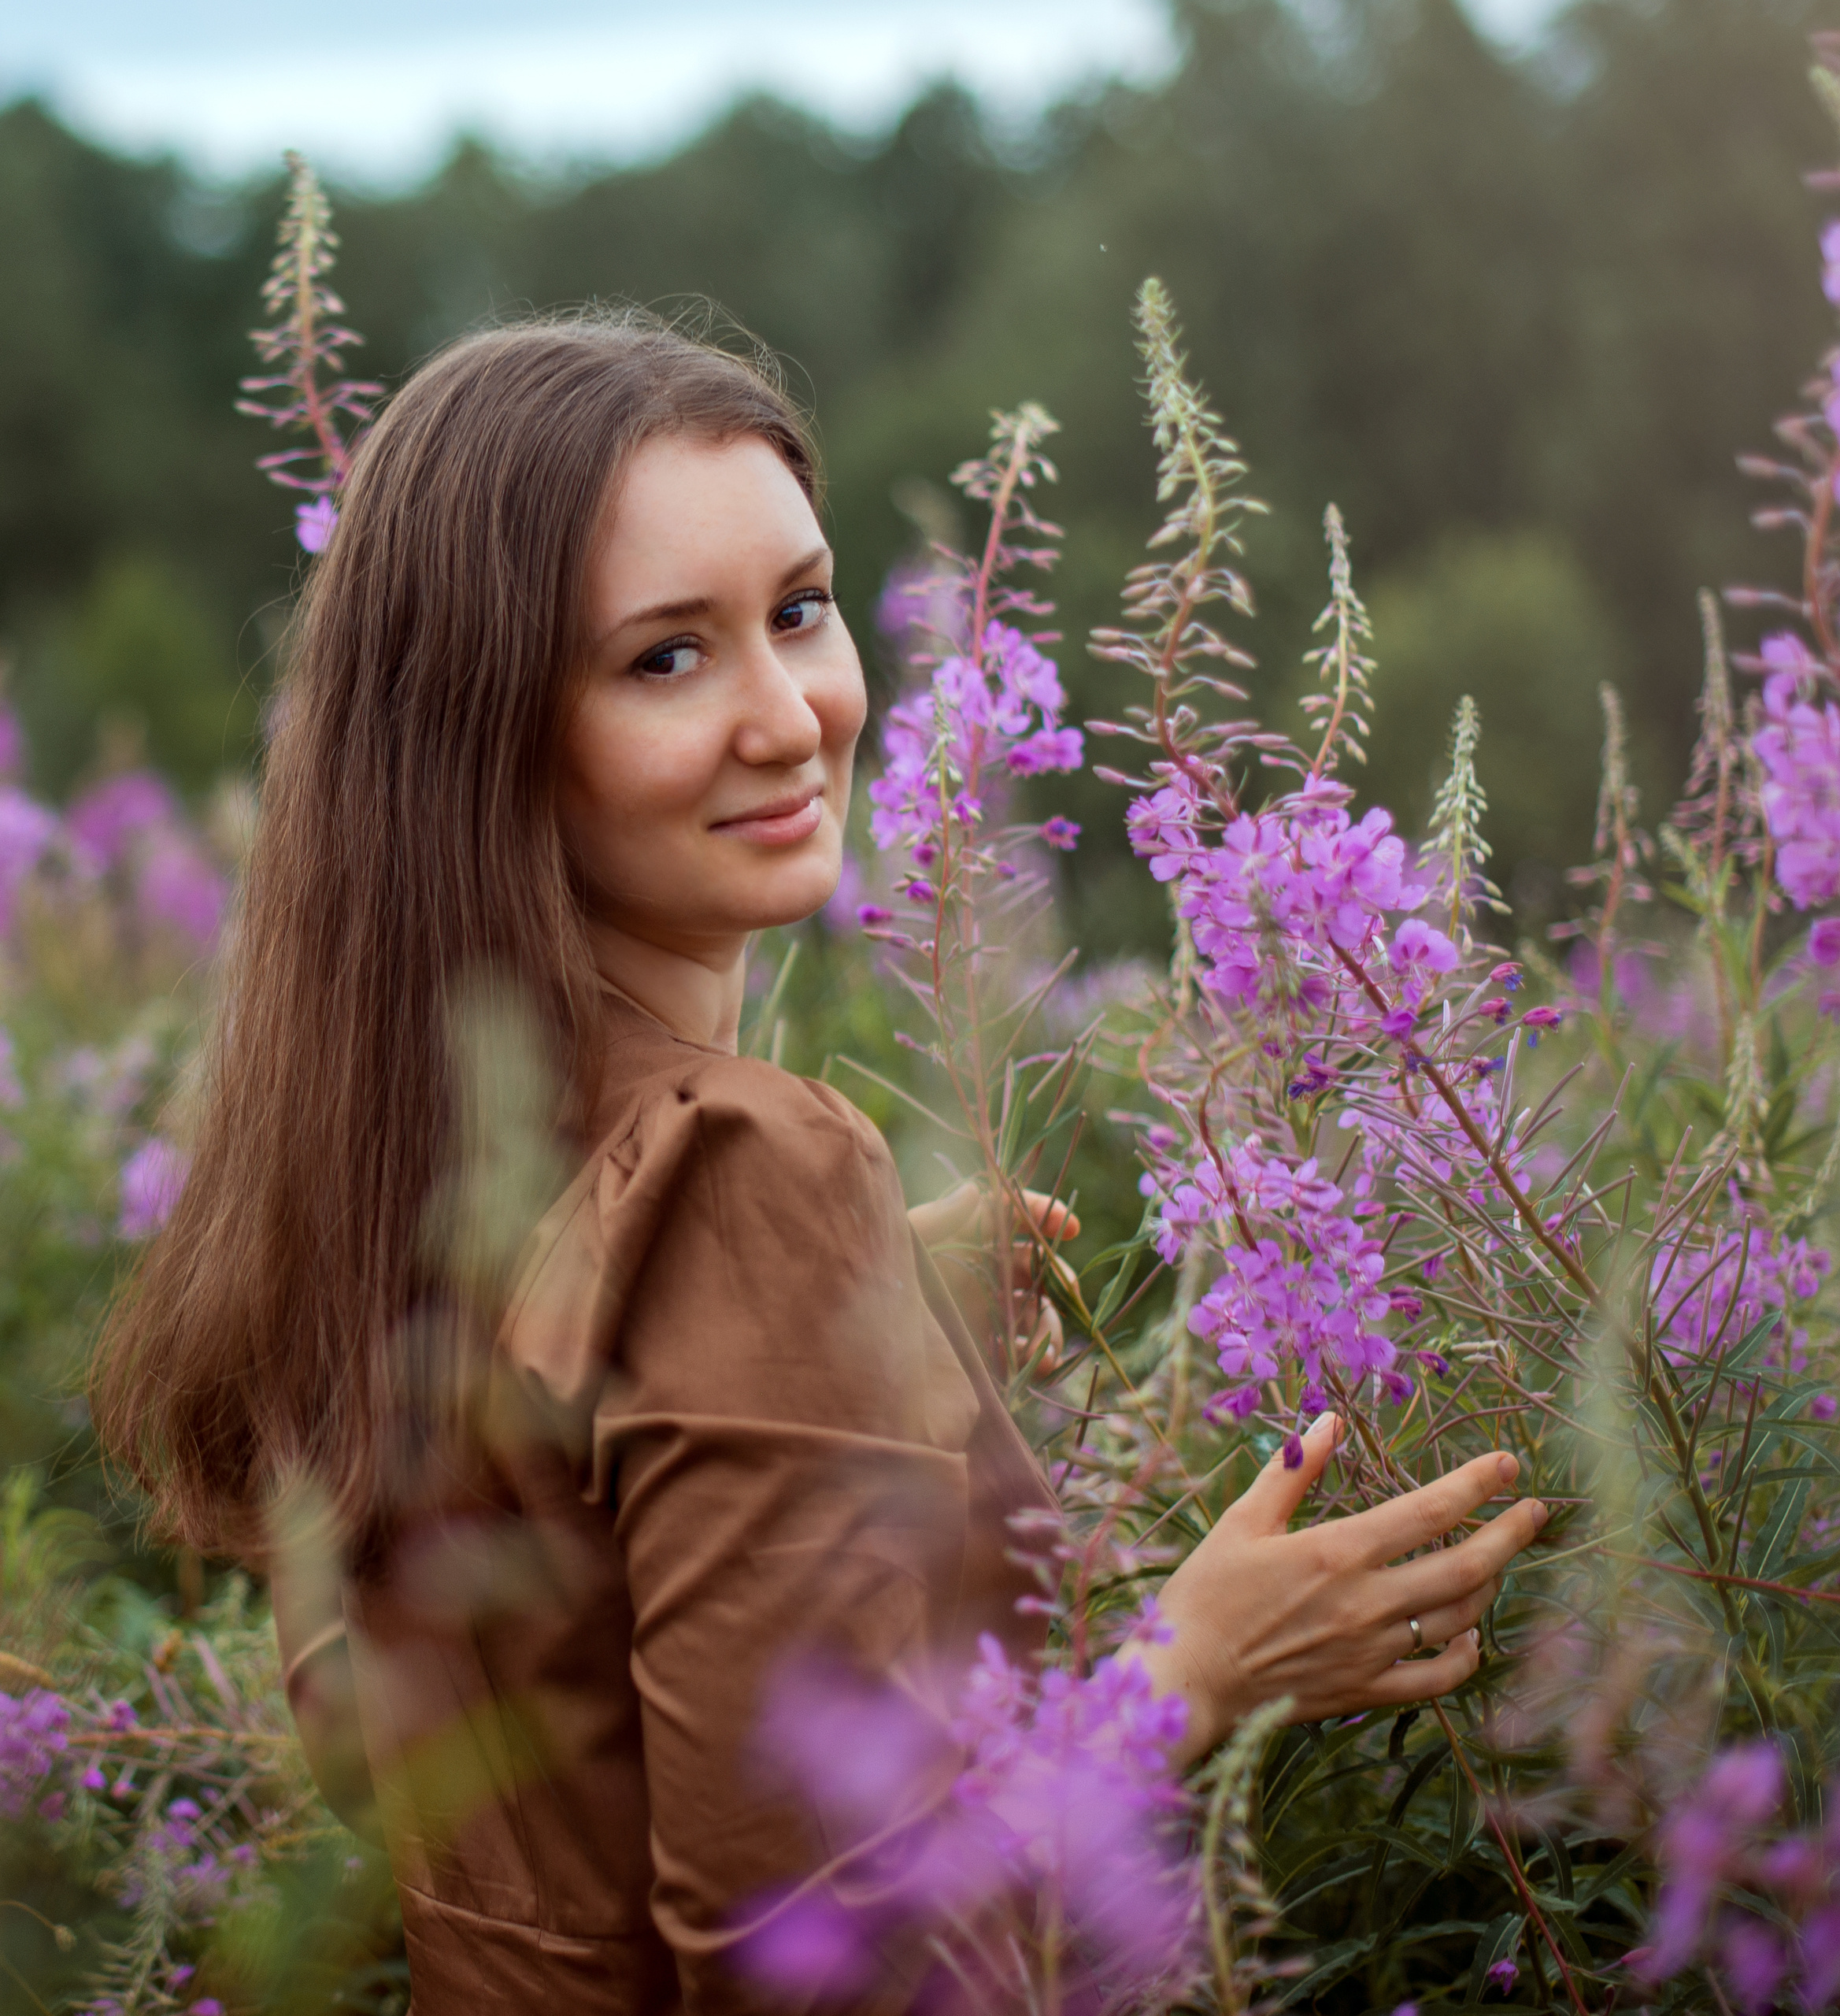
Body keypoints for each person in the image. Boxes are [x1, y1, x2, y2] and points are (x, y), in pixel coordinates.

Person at [91, 313, 1546, 2013]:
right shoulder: (738, 1171)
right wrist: (1191, 1670)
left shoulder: (386, 1167)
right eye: (662, 658)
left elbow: (531, 1726)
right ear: (483, 735)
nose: (789, 717)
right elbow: (816, 1969)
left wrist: (827, 1346)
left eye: (796, 610)